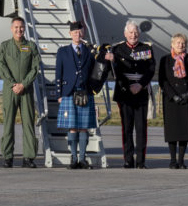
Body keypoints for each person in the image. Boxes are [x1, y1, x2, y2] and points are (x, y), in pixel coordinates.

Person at [104, 20, 155, 169]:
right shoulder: (117, 49)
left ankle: (140, 161)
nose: (133, 35)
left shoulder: (146, 49)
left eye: (135, 33)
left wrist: (140, 85)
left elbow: (151, 70)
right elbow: (116, 72)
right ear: (125, 34)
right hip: (125, 92)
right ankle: (128, 159)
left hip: (141, 91)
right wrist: (129, 86)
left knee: (141, 128)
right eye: (130, 32)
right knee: (126, 127)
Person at [0, 17, 41, 168]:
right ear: (11, 28)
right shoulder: (5, 46)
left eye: (21, 27)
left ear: (24, 29)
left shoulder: (31, 46)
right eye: (16, 27)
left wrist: (24, 84)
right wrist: (12, 84)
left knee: (28, 123)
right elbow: (1, 66)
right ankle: (8, 157)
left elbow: (35, 67)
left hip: (26, 90)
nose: (19, 30)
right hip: (10, 90)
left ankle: (28, 158)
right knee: (8, 124)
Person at [56, 21, 97, 169]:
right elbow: (58, 73)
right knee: (72, 127)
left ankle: (83, 159)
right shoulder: (63, 51)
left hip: (85, 91)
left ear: (83, 33)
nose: (77, 34)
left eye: (80, 32)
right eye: (74, 32)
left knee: (84, 127)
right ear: (70, 34)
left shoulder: (89, 51)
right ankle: (73, 159)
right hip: (68, 92)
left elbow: (95, 72)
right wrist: (59, 94)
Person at [157, 33, 188, 169]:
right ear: (172, 44)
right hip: (172, 100)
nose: (181, 45)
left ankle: (181, 161)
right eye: (178, 43)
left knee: (184, 132)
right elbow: (162, 80)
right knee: (172, 132)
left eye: (183, 43)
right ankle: (172, 160)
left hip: (187, 99)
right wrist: (173, 95)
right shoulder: (165, 60)